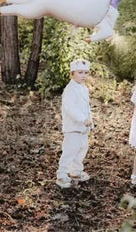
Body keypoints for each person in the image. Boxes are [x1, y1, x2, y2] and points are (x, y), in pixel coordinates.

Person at [56, 59, 93, 188]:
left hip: (83, 127)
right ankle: (61, 175)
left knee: (82, 148)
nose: (83, 75)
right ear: (72, 74)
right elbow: (70, 108)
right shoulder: (70, 89)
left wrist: (90, 121)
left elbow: (87, 107)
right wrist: (83, 119)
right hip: (73, 127)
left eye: (86, 72)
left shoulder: (84, 88)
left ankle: (76, 171)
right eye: (80, 72)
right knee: (70, 150)